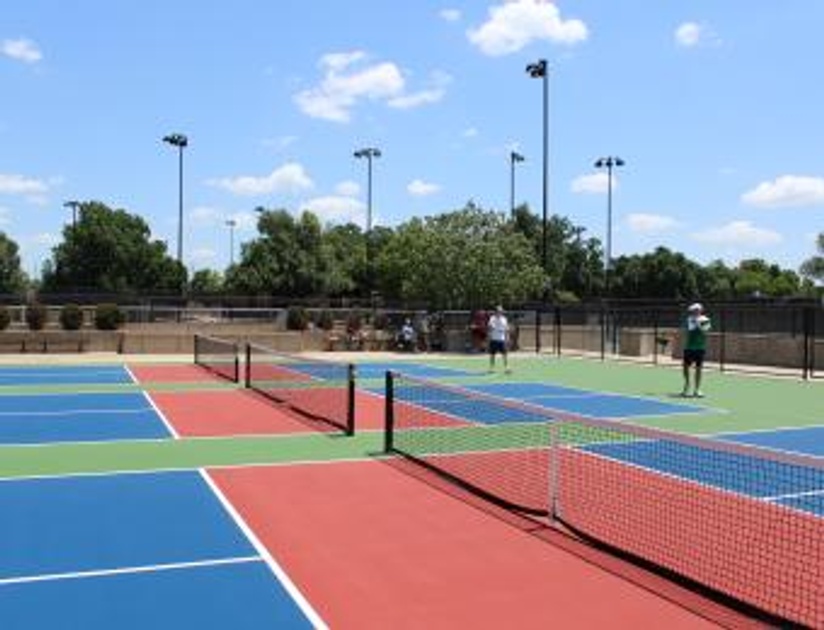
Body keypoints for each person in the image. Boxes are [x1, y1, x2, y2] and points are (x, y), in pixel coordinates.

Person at [682, 302, 711, 397]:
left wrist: (698, 324)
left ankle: (697, 389)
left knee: (698, 369)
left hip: (700, 348)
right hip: (689, 347)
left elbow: (705, 332)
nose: (694, 311)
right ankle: (687, 386)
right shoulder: (689, 319)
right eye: (693, 310)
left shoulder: (705, 320)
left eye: (696, 310)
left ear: (700, 310)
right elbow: (688, 331)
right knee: (686, 367)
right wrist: (693, 323)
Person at [487, 306, 511, 373]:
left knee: (505, 354)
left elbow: (506, 329)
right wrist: (489, 336)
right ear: (496, 311)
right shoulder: (492, 318)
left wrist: (507, 337)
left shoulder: (504, 319)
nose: (500, 312)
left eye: (501, 311)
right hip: (494, 339)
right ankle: (491, 368)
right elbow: (490, 327)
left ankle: (507, 368)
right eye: (498, 311)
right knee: (492, 354)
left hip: (501, 339)